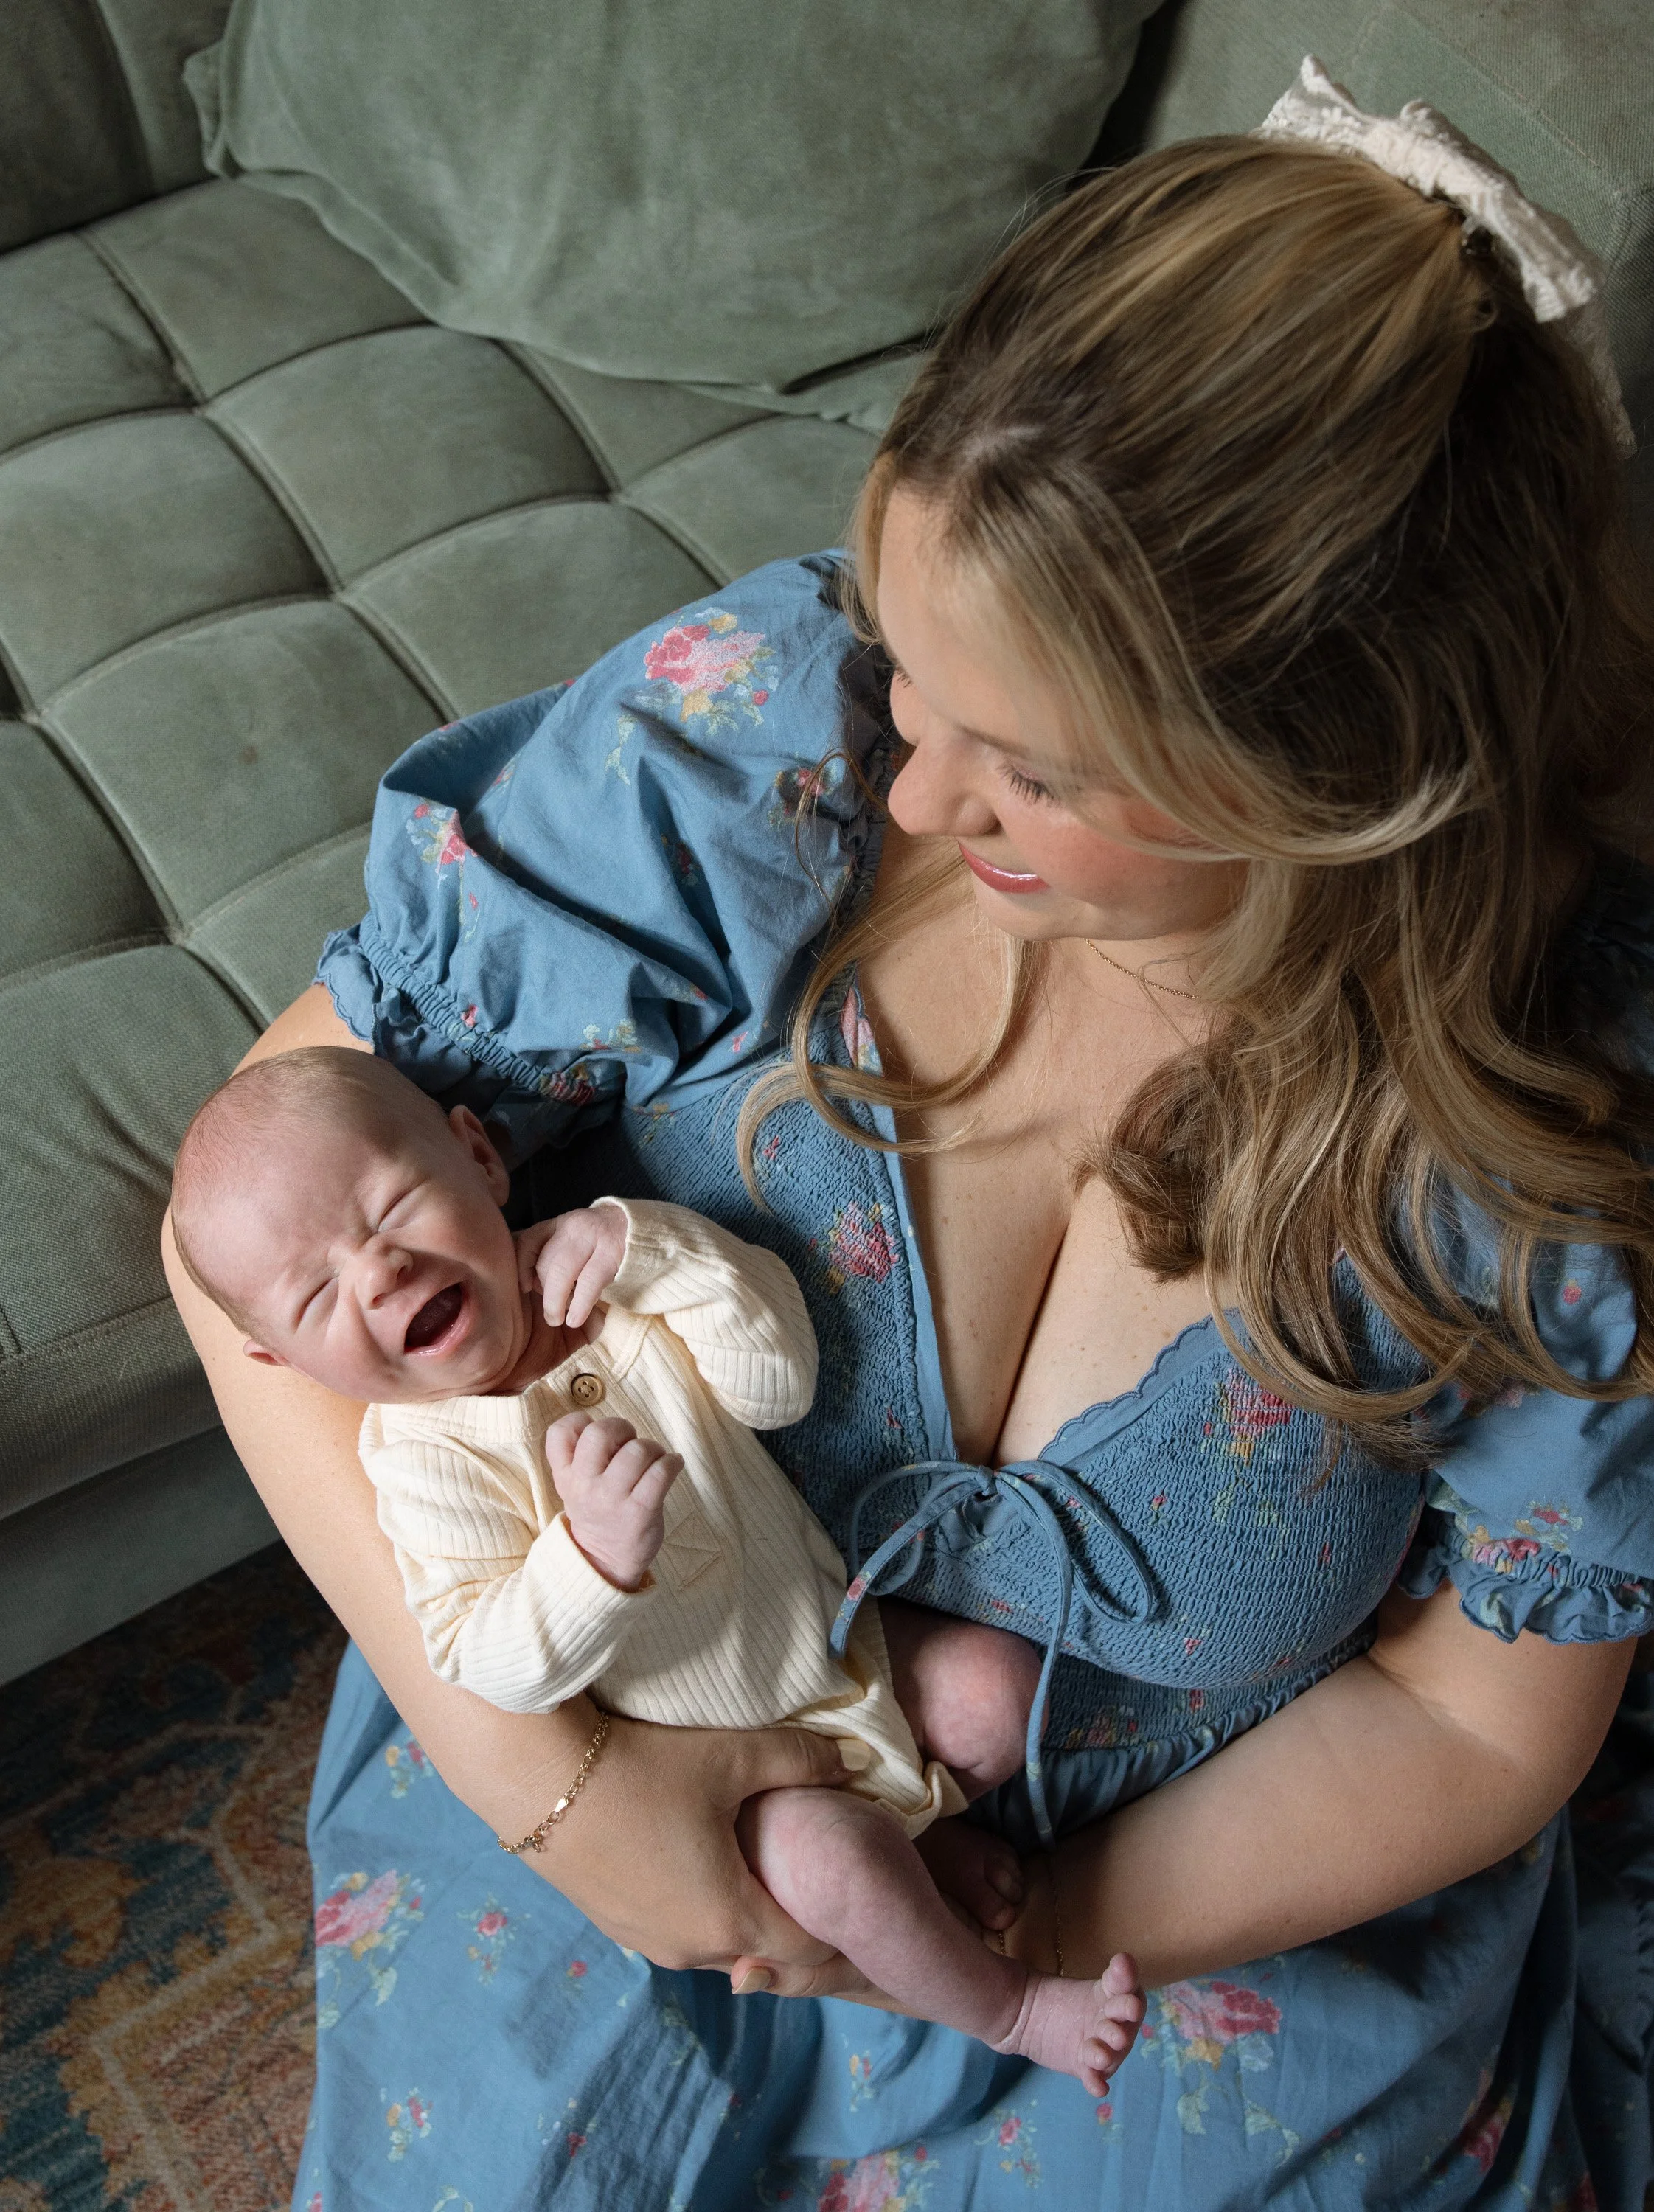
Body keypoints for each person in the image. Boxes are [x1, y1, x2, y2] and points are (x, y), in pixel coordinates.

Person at [164, 63, 1654, 2212]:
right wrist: (571, 1802)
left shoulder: (1552, 1110)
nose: (920, 791)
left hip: (1181, 1935)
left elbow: (1473, 1723)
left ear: (1338, 774)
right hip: (604, 1749)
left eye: (1031, 766)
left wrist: (1011, 1941)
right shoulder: (764, 739)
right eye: (921, 677)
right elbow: (247, 1243)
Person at [166, 1046, 1146, 2088]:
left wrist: (649, 1250)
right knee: (836, 1869)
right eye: (317, 1297)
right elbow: (483, 1657)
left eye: (392, 1208)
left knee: (995, 1692)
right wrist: (585, 1563)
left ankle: (925, 1831)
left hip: (837, 1646)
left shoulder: (608, 1277)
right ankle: (1010, 2008)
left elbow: (779, 1384)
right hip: (732, 1769)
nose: (381, 1271)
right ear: (281, 1361)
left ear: (477, 1156)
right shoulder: (422, 1465)